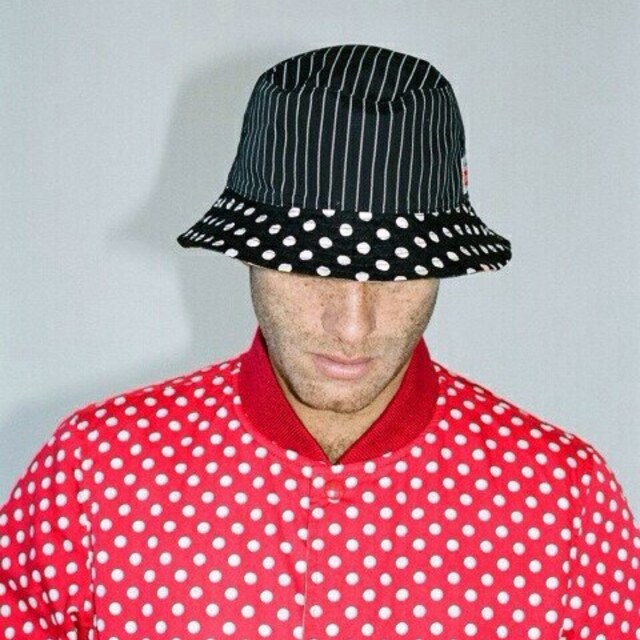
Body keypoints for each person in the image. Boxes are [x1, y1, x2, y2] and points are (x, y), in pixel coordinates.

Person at [1, 43, 638, 639]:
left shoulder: (565, 501)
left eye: (398, 272)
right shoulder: (94, 471)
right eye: (309, 267)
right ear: (247, 251)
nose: (352, 326)